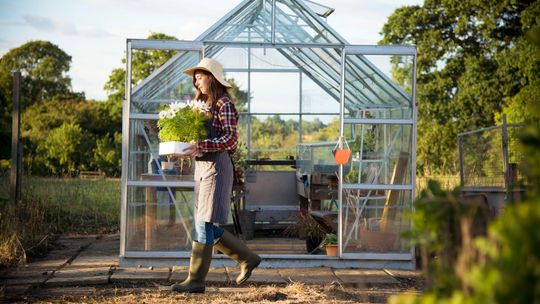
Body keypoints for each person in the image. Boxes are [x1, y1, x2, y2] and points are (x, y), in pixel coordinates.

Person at [171, 58, 261, 293]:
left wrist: (200, 144)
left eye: (199, 77)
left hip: (217, 168)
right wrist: (187, 148)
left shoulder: (223, 104)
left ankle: (196, 280)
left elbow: (230, 140)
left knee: (202, 223)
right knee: (206, 224)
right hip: (203, 168)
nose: (196, 81)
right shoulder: (202, 106)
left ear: (211, 77)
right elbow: (201, 140)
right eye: (195, 78)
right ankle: (247, 258)